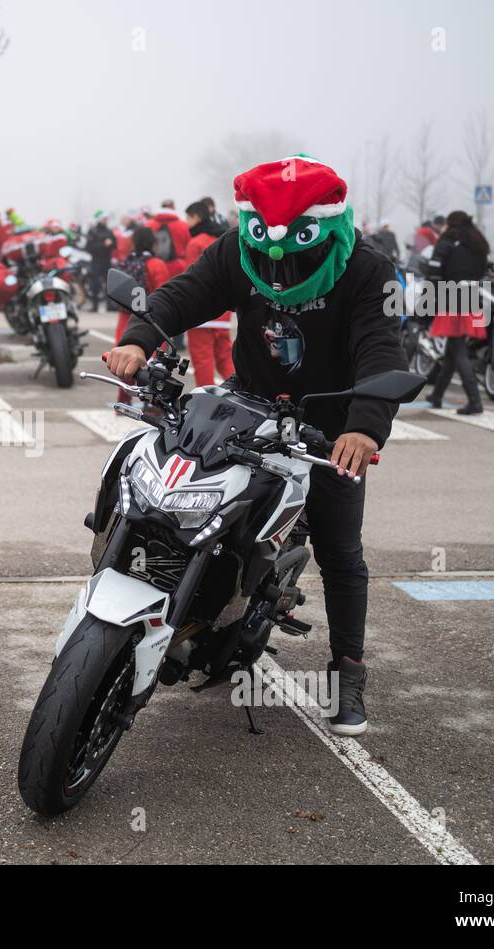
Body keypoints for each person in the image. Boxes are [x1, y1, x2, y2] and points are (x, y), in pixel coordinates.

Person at [105, 156, 407, 736]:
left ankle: (348, 674)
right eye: (266, 243)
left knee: (341, 553)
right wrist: (140, 339)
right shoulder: (236, 248)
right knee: (176, 498)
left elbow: (380, 350)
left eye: (295, 246)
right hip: (250, 407)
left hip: (330, 425)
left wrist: (364, 426)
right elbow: (185, 295)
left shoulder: (371, 271)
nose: (281, 262)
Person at [424, 210, 489, 416]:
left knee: (459, 351)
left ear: (450, 225)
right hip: (471, 297)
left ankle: (475, 401)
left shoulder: (445, 244)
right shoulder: (479, 245)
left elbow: (433, 275)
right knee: (453, 350)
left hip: (450, 298)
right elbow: (483, 272)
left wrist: (428, 301)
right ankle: (437, 395)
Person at [112, 225, 169, 405]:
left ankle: (123, 400)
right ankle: (152, 404)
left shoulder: (125, 263)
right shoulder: (156, 264)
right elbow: (163, 295)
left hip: (125, 320)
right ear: (152, 243)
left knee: (126, 363)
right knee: (156, 366)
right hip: (150, 319)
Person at [183, 198, 235, 387]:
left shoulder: (195, 243)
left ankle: (204, 399)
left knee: (203, 359)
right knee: (225, 357)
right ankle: (245, 395)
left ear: (196, 217)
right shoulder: (224, 238)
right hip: (225, 309)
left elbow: (190, 280)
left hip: (200, 311)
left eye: (188, 217)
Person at [84, 212, 115, 311]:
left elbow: (115, 244)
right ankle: (95, 305)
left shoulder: (109, 231)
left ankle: (109, 305)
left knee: (110, 284)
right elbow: (88, 247)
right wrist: (103, 245)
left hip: (107, 260)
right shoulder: (93, 231)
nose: (106, 220)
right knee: (95, 284)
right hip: (96, 261)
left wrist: (111, 244)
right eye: (104, 218)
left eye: (107, 218)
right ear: (99, 219)